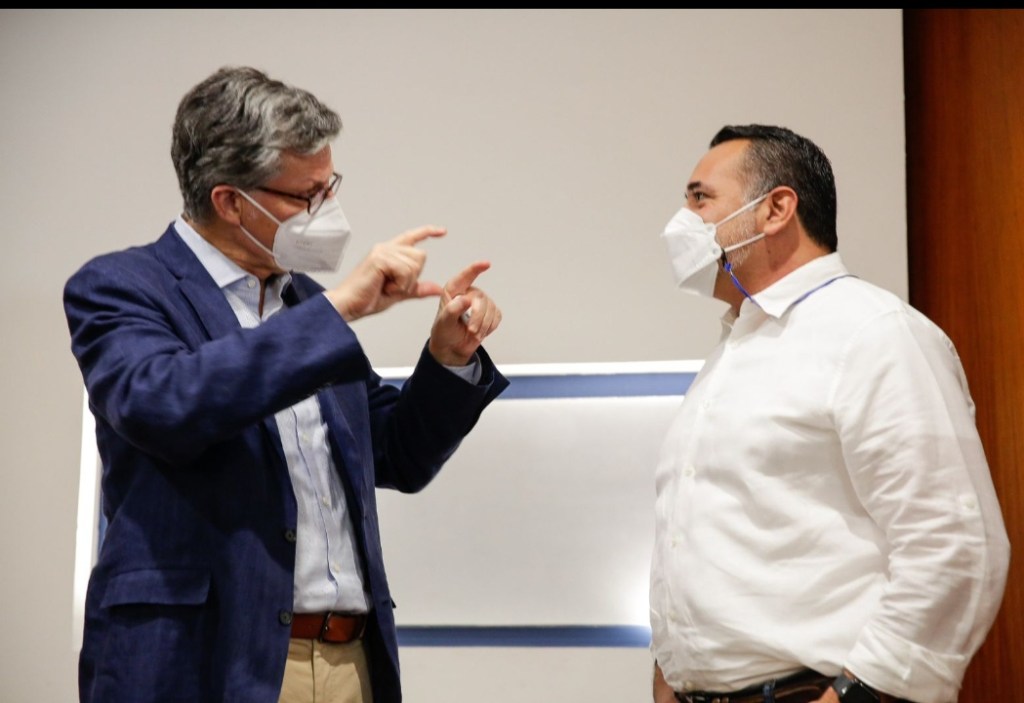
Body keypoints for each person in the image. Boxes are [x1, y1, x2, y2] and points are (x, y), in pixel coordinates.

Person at [63, 65, 509, 703]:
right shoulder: (123, 286)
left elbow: (396, 455)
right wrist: (340, 310)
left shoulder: (303, 303)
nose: (327, 212)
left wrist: (447, 358)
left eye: (330, 188)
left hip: (349, 658)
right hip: (204, 660)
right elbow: (164, 404)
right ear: (230, 201)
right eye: (307, 196)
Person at [649, 124, 1009, 703]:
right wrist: (672, 676)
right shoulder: (737, 347)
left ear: (776, 209)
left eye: (700, 198)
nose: (681, 221)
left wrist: (857, 695)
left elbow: (954, 542)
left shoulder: (873, 333)